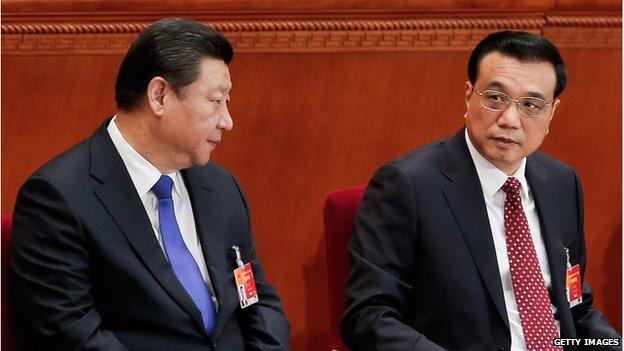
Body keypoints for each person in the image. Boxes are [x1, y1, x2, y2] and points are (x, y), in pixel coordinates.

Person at [10, 18, 290, 351]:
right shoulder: (59, 197)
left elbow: (256, 301)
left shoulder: (221, 187)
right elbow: (72, 333)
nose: (227, 121)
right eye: (216, 101)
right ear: (159, 96)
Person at [341, 31, 620, 351]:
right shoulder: (408, 186)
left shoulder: (561, 182)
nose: (510, 119)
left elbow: (575, 307)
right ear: (469, 95)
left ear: (551, 113)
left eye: (531, 104)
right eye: (496, 98)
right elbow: (368, 316)